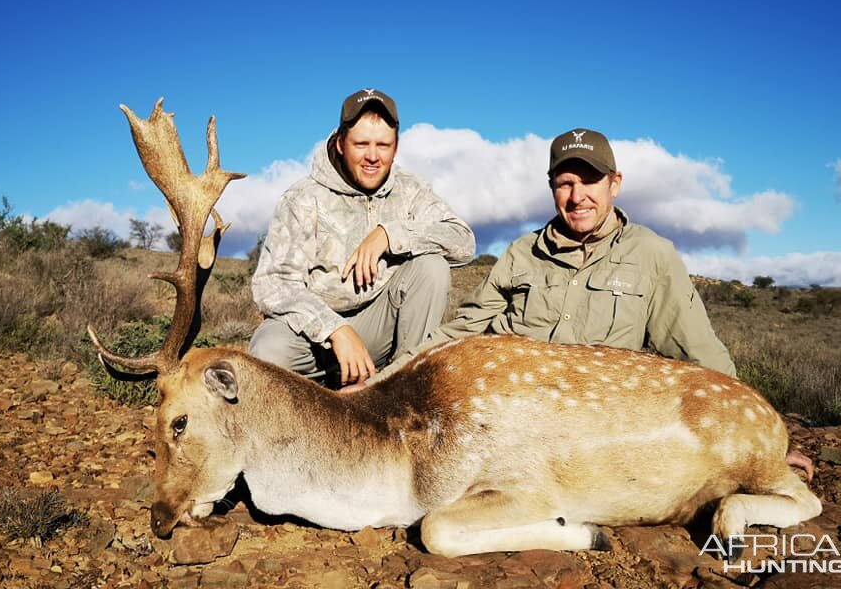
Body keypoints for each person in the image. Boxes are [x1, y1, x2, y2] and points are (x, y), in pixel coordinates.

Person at [381, 127, 736, 378]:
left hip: (599, 421)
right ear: (552, 188)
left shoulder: (652, 254)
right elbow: (459, 332)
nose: (577, 196)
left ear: (615, 184)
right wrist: (386, 380)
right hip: (515, 407)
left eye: (589, 181)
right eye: (565, 183)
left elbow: (700, 352)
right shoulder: (521, 254)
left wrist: (764, 431)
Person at [249, 88, 476, 387]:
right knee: (268, 349)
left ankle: (401, 389)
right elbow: (273, 283)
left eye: (383, 145)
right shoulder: (303, 198)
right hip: (317, 339)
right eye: (361, 144)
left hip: (379, 330)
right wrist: (334, 329)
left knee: (432, 266)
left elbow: (463, 241)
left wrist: (390, 234)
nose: (373, 156)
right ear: (342, 144)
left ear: (395, 148)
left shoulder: (412, 191)